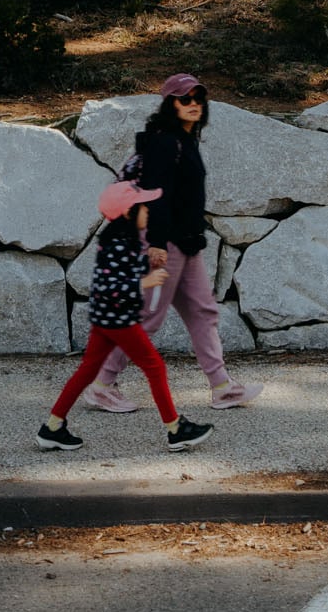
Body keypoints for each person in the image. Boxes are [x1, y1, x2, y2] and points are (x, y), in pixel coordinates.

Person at [79, 74, 263, 414]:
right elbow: (156, 195)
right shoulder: (164, 142)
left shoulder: (185, 139)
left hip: (186, 242)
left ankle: (222, 387)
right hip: (163, 243)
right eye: (184, 99)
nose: (193, 104)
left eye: (198, 98)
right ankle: (102, 385)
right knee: (146, 317)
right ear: (170, 104)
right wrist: (157, 243)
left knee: (203, 312)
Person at [38, 178, 214, 453]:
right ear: (129, 213)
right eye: (144, 209)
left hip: (105, 320)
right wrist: (145, 282)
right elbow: (109, 286)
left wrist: (146, 263)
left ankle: (52, 427)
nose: (148, 213)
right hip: (118, 320)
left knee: (87, 371)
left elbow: (120, 270)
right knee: (155, 367)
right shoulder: (118, 244)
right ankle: (175, 429)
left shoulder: (119, 241)